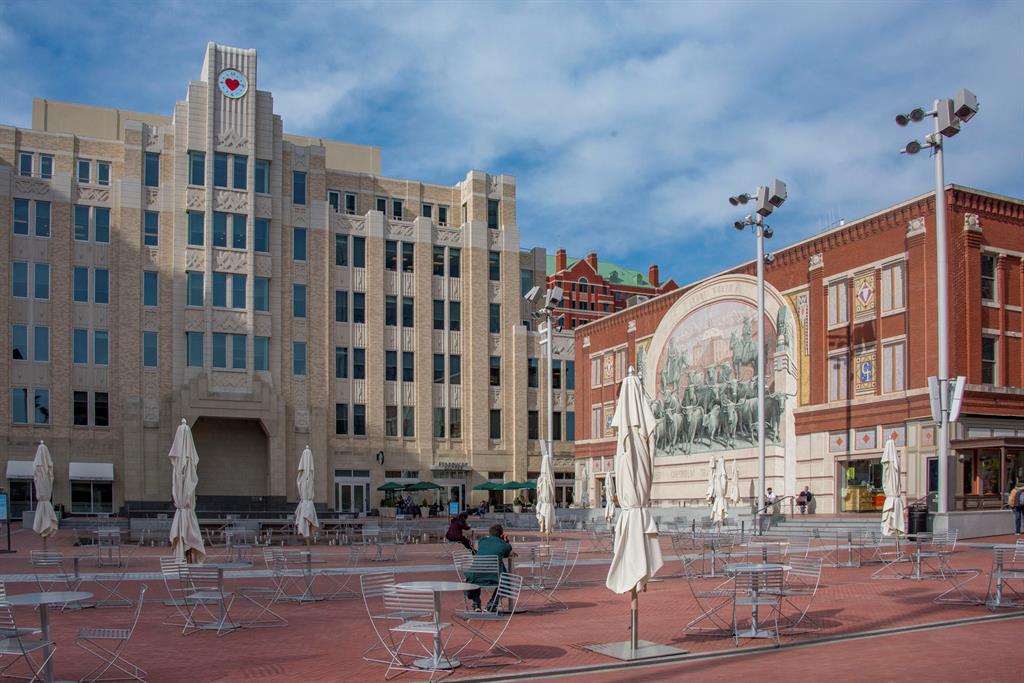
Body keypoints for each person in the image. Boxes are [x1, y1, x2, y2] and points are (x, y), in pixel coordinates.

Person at [464, 524, 513, 611]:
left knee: (475, 580)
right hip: (493, 575)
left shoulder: (482, 541)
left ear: (490, 533)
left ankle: (476, 604)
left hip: (475, 574)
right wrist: (506, 541)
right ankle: (492, 604)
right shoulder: (504, 544)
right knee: (504, 581)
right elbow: (507, 551)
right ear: (501, 534)